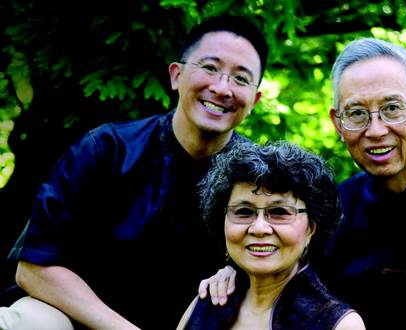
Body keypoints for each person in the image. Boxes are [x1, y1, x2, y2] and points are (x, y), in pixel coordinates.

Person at [199, 37, 406, 329]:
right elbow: (283, 271)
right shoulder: (336, 210)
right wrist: (237, 274)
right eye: (357, 113)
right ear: (337, 123)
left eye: (391, 108)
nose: (375, 130)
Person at [0, 15, 269, 329]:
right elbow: (32, 267)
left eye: (241, 78)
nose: (222, 88)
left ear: (255, 100)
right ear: (176, 75)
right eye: (210, 67)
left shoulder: (259, 177)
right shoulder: (106, 149)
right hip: (77, 319)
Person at [177, 141, 365, 330]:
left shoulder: (339, 324)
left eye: (280, 212)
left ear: (311, 229)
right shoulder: (206, 304)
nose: (259, 228)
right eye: (243, 211)